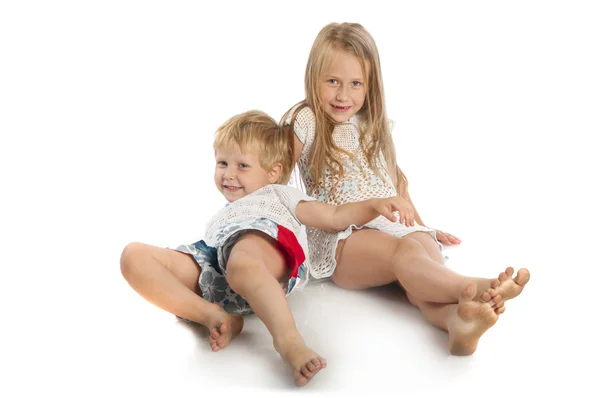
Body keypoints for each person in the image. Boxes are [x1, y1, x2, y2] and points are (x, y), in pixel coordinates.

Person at [120, 109, 430, 386]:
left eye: (243, 165)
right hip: (218, 260)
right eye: (222, 163)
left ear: (273, 172)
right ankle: (211, 315)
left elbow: (334, 217)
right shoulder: (223, 214)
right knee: (133, 255)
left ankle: (289, 340)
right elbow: (215, 252)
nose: (229, 174)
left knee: (243, 259)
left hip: (265, 247)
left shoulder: (281, 195)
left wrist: (374, 205)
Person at [281, 22, 530, 356]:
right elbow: (276, 181)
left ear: (370, 86)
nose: (344, 95)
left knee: (420, 260)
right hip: (345, 234)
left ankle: (457, 321)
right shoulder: (308, 119)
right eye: (332, 82)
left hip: (391, 223)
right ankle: (479, 287)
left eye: (356, 84)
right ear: (314, 78)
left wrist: (422, 224)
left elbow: (395, 182)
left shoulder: (373, 123)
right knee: (408, 256)